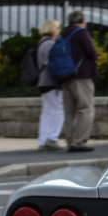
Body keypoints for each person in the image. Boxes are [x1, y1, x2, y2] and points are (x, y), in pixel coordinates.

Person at [60, 11, 99, 153]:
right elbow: (91, 52)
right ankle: (79, 141)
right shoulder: (81, 32)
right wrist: (96, 56)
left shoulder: (65, 33)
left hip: (65, 76)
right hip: (81, 75)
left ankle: (70, 141)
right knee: (85, 109)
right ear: (82, 20)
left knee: (69, 111)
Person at [35, 19, 64, 151]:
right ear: (52, 29)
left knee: (47, 111)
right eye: (57, 28)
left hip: (43, 81)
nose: (58, 31)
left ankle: (43, 140)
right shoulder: (49, 44)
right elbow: (52, 63)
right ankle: (52, 138)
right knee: (59, 108)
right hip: (50, 81)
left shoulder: (42, 43)